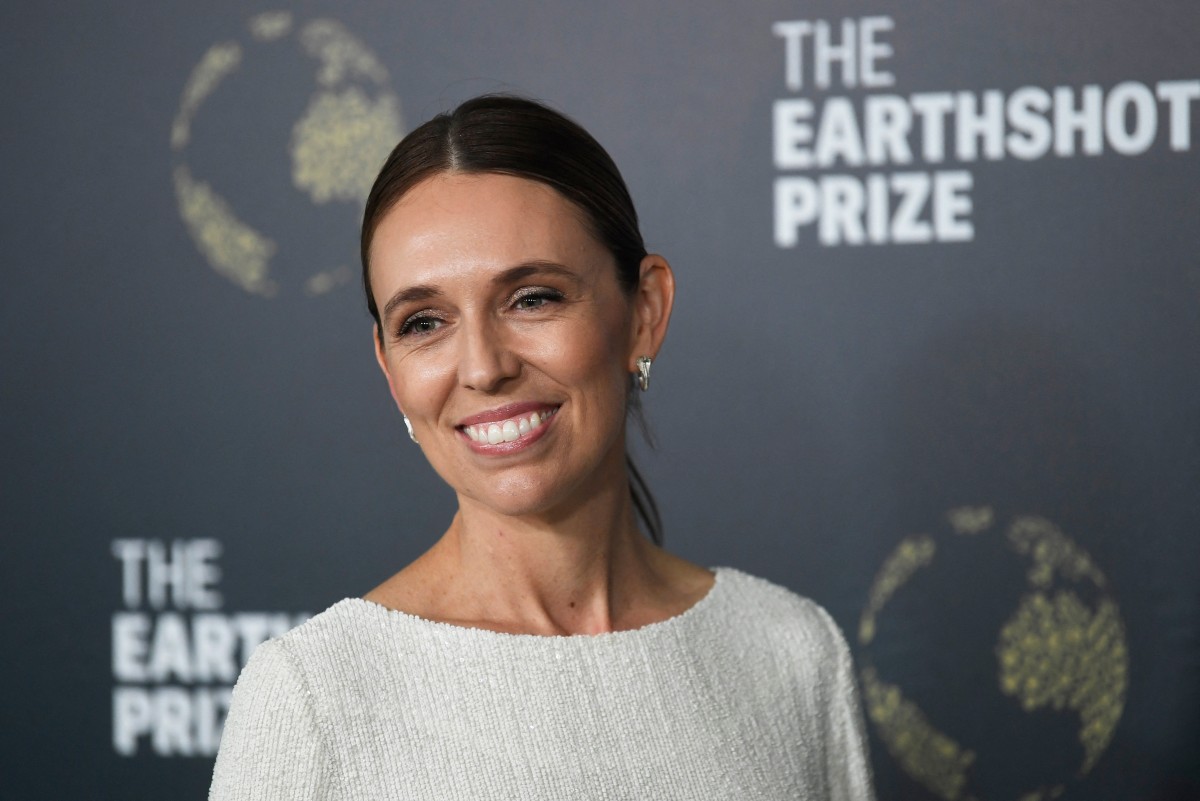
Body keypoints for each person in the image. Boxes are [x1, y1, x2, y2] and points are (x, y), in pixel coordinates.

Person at [208, 94, 875, 800]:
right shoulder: (314, 700)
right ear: (388, 367)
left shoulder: (791, 651)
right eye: (424, 322)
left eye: (532, 298)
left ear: (644, 312)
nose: (483, 367)